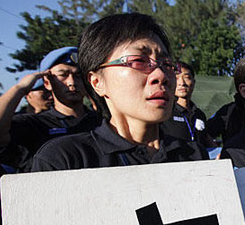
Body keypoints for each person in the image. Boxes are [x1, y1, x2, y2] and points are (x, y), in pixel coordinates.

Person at [32, 13, 208, 171]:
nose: (161, 75)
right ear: (97, 82)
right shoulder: (65, 160)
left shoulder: (193, 156)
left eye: (167, 64)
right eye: (139, 60)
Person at [0, 47, 101, 172]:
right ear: (47, 82)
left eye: (78, 75)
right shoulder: (33, 124)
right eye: (63, 75)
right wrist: (20, 88)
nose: (72, 82)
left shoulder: (102, 121)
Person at [160, 61, 216, 148]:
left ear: (193, 82)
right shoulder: (164, 112)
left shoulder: (199, 114)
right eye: (176, 78)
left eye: (187, 77)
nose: (182, 83)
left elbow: (207, 142)